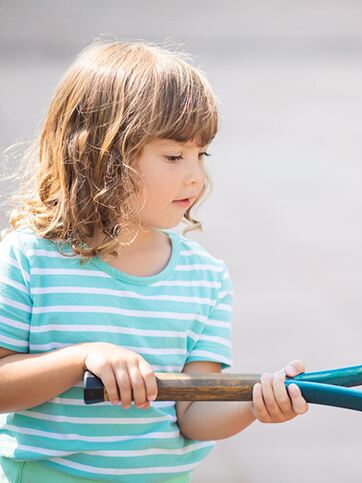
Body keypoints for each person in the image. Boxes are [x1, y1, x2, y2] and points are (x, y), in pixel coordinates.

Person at [0, 39, 308, 482]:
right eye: (173, 156)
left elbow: (192, 415)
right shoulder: (29, 258)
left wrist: (256, 405)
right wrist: (81, 358)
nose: (195, 175)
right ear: (100, 156)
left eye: (201, 155)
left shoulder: (205, 280)